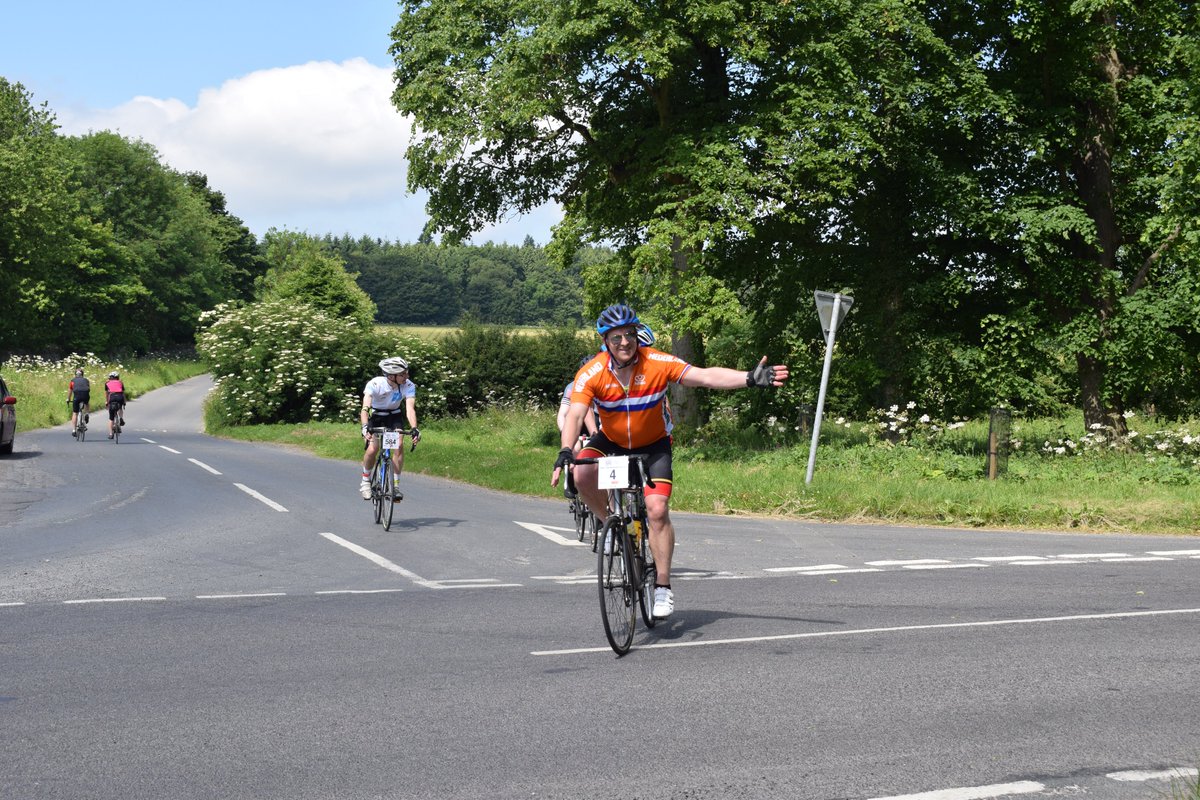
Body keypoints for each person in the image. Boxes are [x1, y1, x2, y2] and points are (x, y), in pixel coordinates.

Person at [551, 303, 789, 619]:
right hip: (612, 440)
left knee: (658, 510)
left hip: (653, 446)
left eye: (630, 335)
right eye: (616, 337)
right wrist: (566, 450)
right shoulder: (592, 372)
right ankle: (608, 522)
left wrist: (748, 378)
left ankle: (662, 585)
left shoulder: (657, 362)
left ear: (637, 335)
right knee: (581, 474)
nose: (625, 342)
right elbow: (576, 414)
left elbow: (704, 377)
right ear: (605, 341)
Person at [359, 357, 421, 500]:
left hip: (394, 417)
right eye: (402, 374)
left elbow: (410, 409)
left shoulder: (408, 385)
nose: (407, 376)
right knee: (373, 448)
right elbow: (365, 408)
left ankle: (395, 486)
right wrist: (365, 426)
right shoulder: (375, 384)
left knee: (399, 445)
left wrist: (414, 428)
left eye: (407, 373)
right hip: (375, 416)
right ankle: (366, 481)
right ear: (391, 376)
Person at [67, 368, 90, 437]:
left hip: (76, 396)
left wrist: (68, 399)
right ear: (82, 374)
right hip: (85, 394)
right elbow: (88, 388)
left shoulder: (72, 381)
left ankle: (74, 430)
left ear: (75, 374)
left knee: (75, 413)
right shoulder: (86, 380)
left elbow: (70, 391)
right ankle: (86, 414)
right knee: (87, 403)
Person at [104, 371, 125, 439]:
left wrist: (107, 402)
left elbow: (107, 394)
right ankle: (121, 418)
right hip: (119, 396)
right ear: (117, 377)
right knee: (120, 407)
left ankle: (110, 434)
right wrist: (124, 402)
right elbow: (123, 392)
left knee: (111, 417)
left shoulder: (107, 383)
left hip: (112, 397)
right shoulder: (121, 382)